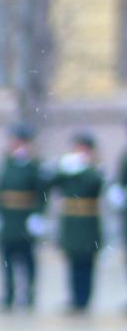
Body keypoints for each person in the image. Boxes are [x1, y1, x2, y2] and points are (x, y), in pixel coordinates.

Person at [0, 124, 46, 310]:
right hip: (8, 218)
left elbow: (41, 192)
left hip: (25, 217)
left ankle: (29, 294)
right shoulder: (5, 163)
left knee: (27, 258)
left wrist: (38, 214)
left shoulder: (34, 166)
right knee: (6, 258)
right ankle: (8, 294)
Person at [52, 132, 103, 314]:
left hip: (88, 222)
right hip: (71, 222)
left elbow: (95, 185)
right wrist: (62, 168)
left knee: (87, 261)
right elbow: (52, 183)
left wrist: (84, 168)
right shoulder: (69, 168)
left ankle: (85, 299)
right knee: (72, 260)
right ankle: (74, 298)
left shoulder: (94, 168)